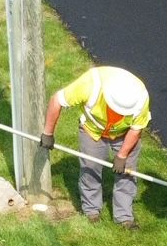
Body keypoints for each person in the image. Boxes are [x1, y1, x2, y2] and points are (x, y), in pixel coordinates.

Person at [39, 66, 151, 228]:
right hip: (92, 130)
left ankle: (124, 216)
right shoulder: (90, 84)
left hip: (125, 133)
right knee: (90, 168)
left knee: (128, 172)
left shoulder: (140, 97)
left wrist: (122, 156)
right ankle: (91, 211)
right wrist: (48, 133)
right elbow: (57, 100)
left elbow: (136, 129)